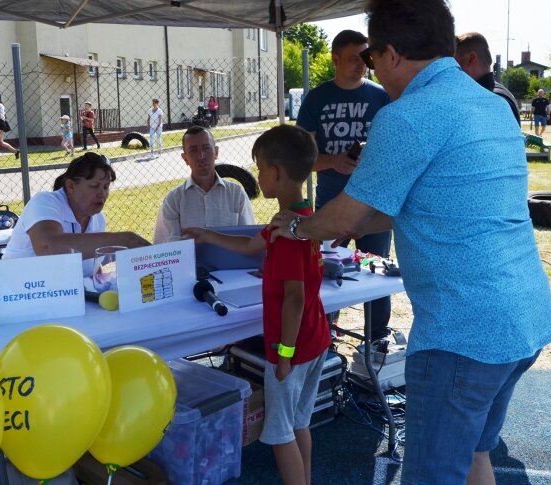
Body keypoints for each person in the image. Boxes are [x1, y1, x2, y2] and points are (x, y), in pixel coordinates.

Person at [269, 0, 551, 484]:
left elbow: (346, 219)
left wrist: (296, 227)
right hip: (523, 317)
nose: (373, 70)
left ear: (394, 53)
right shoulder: (489, 104)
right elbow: (415, 207)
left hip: (463, 334)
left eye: (372, 57)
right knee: (474, 456)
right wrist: (333, 225)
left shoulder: (407, 117)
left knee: (430, 474)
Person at [184, 125, 329, 485]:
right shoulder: (296, 220)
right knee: (299, 423)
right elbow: (250, 246)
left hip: (292, 350)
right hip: (316, 341)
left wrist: (283, 355)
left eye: (260, 168)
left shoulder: (287, 236)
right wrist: (207, 235)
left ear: (276, 174)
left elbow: (294, 298)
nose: (258, 175)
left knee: (280, 435)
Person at [296, 29, 393, 340]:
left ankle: (375, 343)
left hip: (374, 208)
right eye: (353, 58)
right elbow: (303, 160)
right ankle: (326, 340)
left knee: (377, 276)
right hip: (331, 205)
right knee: (325, 276)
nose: (362, 64)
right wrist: (334, 161)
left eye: (366, 58)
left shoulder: (381, 96)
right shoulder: (317, 99)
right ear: (335, 58)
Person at [2, 152, 150, 273]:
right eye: (94, 186)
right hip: (18, 295)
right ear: (71, 186)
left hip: (63, 297)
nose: (102, 194)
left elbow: (93, 271)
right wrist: (124, 240)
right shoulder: (44, 202)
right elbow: (47, 247)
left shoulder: (98, 219)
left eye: (106, 187)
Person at [154, 126, 255, 243]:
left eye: (206, 148)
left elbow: (249, 242)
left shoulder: (236, 194)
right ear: (185, 158)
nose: (201, 156)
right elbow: (167, 250)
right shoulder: (173, 201)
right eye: (193, 150)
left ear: (216, 152)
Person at [454, 32, 520, 125]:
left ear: (470, 59)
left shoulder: (488, 101)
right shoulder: (501, 95)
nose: (452, 69)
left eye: (455, 62)